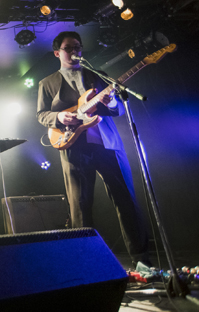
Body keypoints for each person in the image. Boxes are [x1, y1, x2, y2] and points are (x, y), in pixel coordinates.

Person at [37, 31, 149, 267]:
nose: (75, 51)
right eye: (69, 47)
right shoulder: (47, 83)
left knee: (126, 199)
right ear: (57, 53)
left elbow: (117, 110)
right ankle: (85, 263)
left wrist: (112, 101)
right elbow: (41, 115)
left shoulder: (97, 75)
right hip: (73, 145)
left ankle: (141, 259)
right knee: (80, 206)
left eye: (78, 46)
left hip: (107, 144)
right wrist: (59, 117)